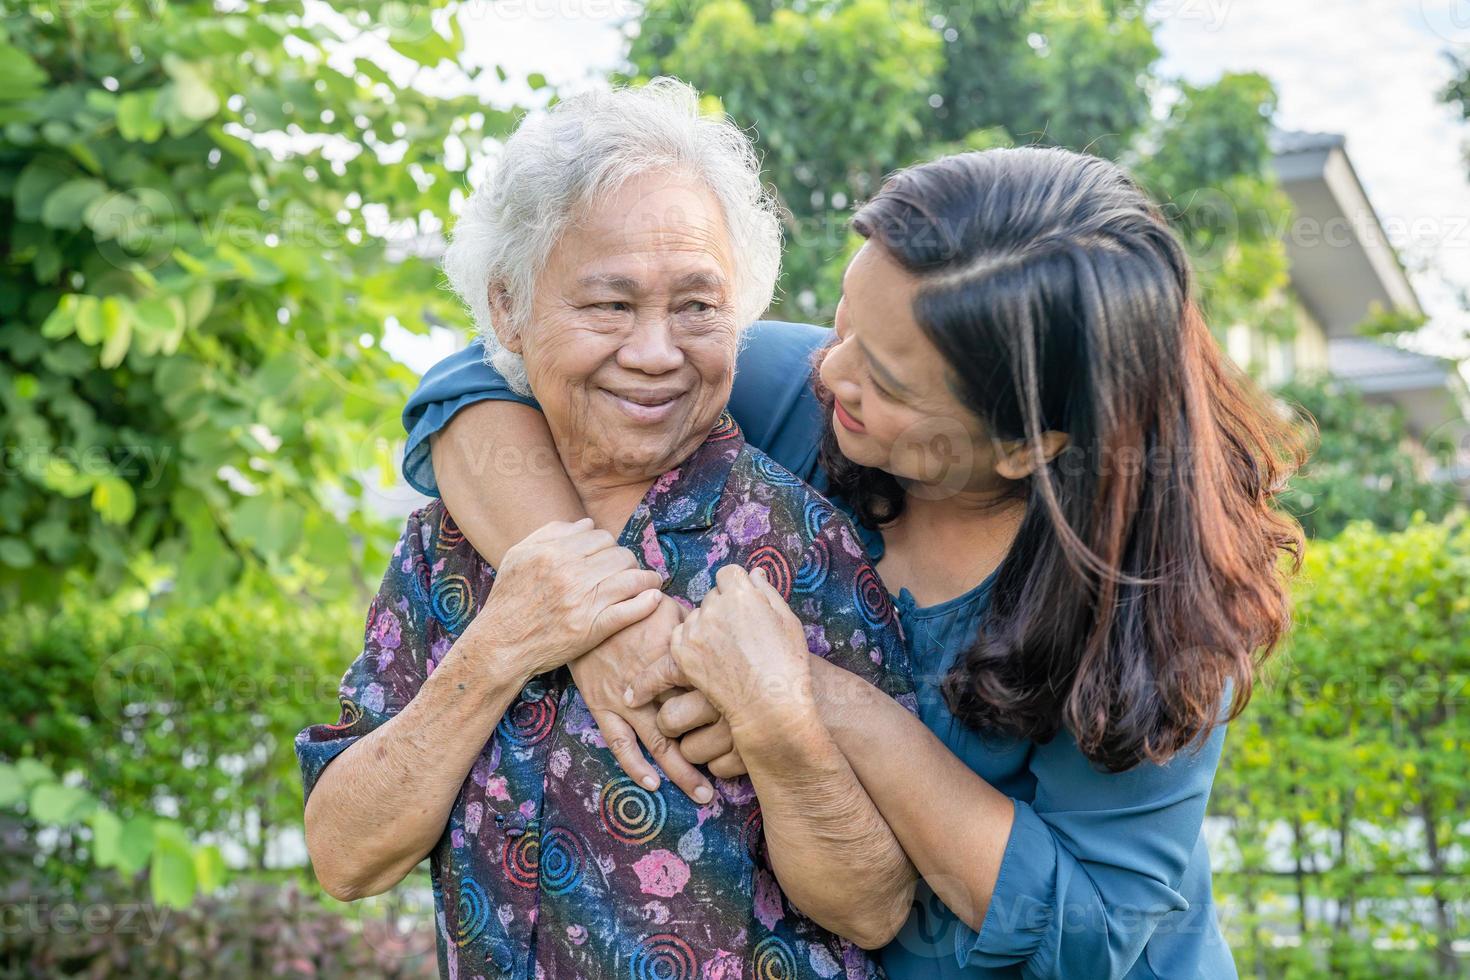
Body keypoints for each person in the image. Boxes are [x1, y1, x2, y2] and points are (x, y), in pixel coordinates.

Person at [400, 145, 1305, 978]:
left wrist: (824, 702)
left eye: (889, 383)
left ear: (1030, 445)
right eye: (842, 323)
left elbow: (1094, 933)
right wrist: (603, 615)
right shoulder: (802, 397)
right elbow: (478, 385)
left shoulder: (1155, 609)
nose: (830, 374)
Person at [296, 79, 918, 980]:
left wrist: (783, 734)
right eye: (611, 306)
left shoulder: (804, 543)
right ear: (507, 309)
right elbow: (347, 857)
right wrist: (501, 645)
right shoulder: (448, 545)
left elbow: (874, 905)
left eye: (698, 306)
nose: (658, 351)